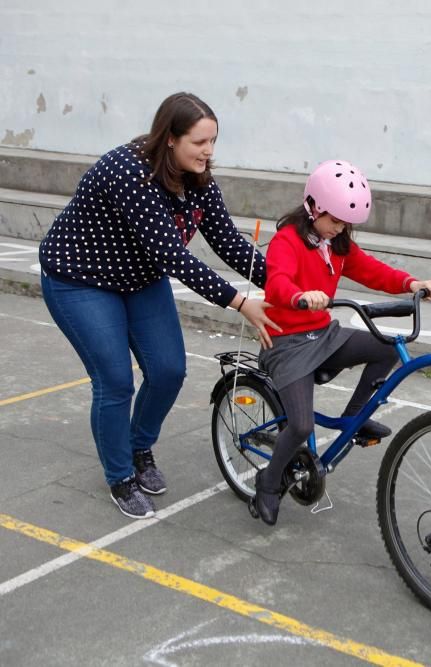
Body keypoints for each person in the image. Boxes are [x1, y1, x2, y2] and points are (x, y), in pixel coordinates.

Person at [38, 92, 278, 520]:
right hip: (79, 279)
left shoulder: (199, 177)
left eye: (213, 141)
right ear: (170, 138)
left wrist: (284, 284)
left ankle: (138, 446)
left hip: (137, 278)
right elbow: (175, 257)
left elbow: (227, 242)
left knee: (169, 370)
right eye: (199, 142)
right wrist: (240, 302)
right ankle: (120, 476)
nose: (208, 152)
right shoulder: (131, 172)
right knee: (114, 381)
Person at [249, 159, 431, 527]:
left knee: (386, 346)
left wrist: (409, 283)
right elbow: (277, 283)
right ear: (313, 207)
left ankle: (354, 417)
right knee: (301, 426)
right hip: (286, 343)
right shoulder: (287, 240)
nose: (340, 228)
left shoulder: (336, 244)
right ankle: (268, 483)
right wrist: (301, 296)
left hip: (323, 335)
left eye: (345, 223)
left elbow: (370, 269)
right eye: (334, 220)